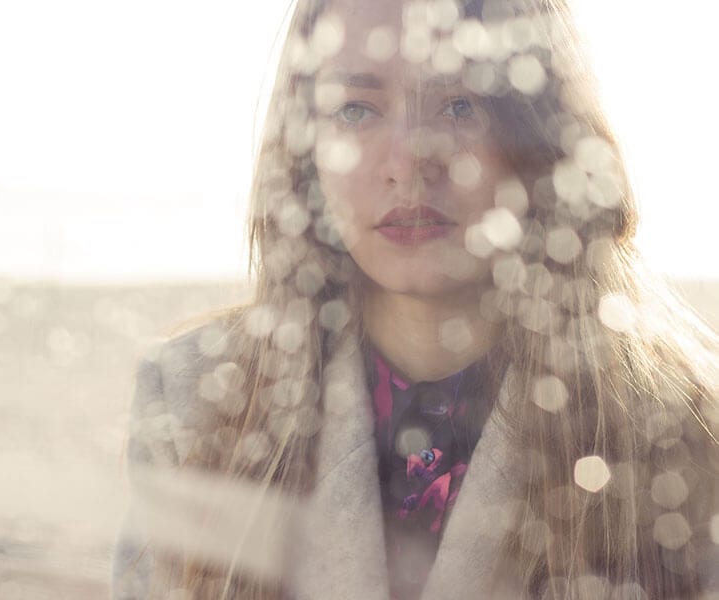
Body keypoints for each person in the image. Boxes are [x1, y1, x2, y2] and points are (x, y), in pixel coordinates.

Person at [113, 0, 719, 598]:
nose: (408, 163)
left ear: (544, 133)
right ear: (305, 150)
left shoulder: (685, 427)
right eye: (355, 109)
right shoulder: (196, 400)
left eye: (461, 104)